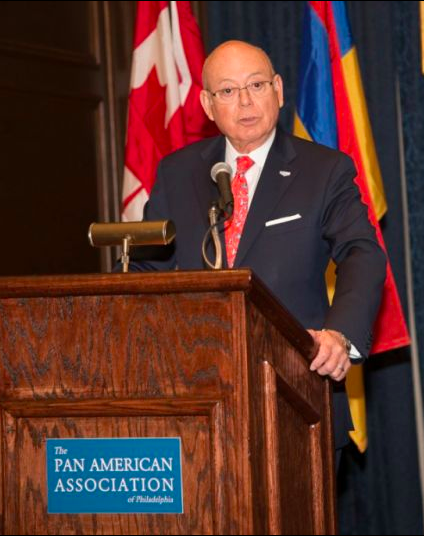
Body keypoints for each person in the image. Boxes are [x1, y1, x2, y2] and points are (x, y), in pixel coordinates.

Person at [130, 40, 386, 460]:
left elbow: (362, 253)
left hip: (294, 393)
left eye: (257, 85)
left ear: (280, 90)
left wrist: (340, 335)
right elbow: (145, 272)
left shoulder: (324, 170)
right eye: (228, 91)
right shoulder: (177, 172)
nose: (245, 101)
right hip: (196, 398)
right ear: (207, 105)